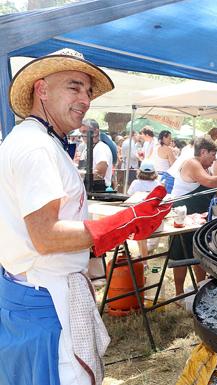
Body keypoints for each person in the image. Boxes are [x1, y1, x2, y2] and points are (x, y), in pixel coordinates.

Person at [0, 48, 171, 385]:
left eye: (88, 91)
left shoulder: (35, 139)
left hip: (29, 291)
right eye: (74, 87)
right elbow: (46, 236)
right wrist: (121, 223)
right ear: (42, 89)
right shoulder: (37, 147)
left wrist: (123, 221)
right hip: (46, 297)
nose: (85, 99)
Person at [169, 138, 217, 296]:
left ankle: (200, 289)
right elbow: (207, 181)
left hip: (199, 219)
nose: (214, 159)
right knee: (180, 256)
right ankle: (179, 295)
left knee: (200, 253)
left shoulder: (206, 169)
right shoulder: (192, 163)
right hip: (182, 217)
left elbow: (216, 189)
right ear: (203, 152)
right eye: (212, 155)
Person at [126, 162, 162, 260]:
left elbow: (129, 197)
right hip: (153, 216)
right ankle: (144, 259)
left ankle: (143, 259)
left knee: (142, 239)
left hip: (139, 216)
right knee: (147, 241)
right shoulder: (157, 184)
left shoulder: (135, 183)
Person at [79, 118, 113, 189]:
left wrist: (77, 173)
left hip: (98, 191)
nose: (82, 135)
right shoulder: (86, 148)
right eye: (81, 132)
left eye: (85, 132)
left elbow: (99, 174)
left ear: (96, 132)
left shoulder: (101, 148)